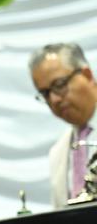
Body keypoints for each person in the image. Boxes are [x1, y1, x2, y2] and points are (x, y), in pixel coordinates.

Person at [28, 43, 97, 207]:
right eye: (45, 93)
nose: (54, 99)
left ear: (87, 75)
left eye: (59, 85)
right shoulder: (58, 152)